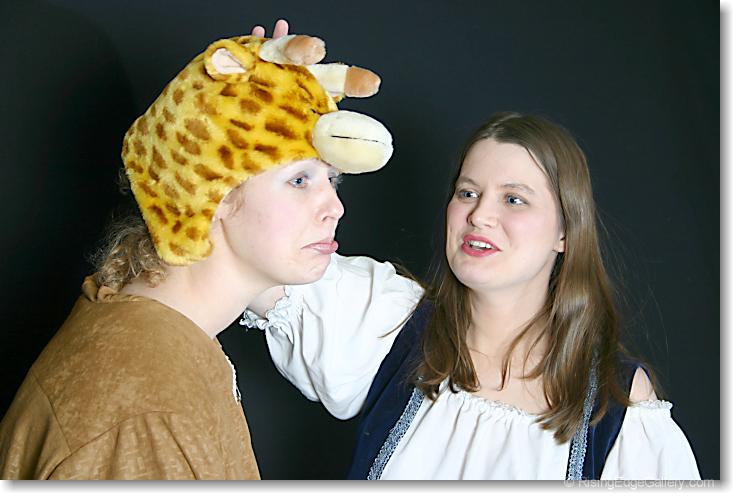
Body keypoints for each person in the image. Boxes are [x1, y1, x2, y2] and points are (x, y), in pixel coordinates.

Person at [0, 20, 393, 479]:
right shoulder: (144, 412)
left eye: (332, 179)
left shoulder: (160, 335)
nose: (335, 207)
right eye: (300, 180)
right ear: (213, 190)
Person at [244, 111, 701, 480]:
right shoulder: (388, 323)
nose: (480, 215)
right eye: (468, 193)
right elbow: (247, 249)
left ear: (565, 231)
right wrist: (258, 112)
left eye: (514, 199)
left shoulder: (616, 403)